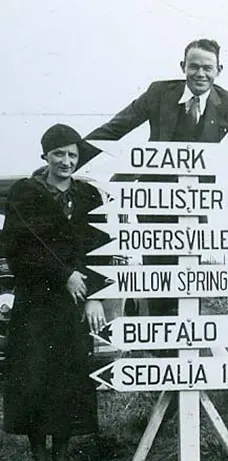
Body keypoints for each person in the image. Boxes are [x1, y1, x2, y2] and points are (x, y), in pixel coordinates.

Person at [84, 37, 228, 323]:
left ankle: (184, 345)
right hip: (154, 203)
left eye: (207, 68)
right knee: (158, 279)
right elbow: (114, 129)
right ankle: (162, 349)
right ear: (182, 67)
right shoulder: (159, 94)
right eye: (193, 66)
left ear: (219, 70)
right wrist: (69, 157)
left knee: (188, 281)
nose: (200, 74)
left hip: (197, 205)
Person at [1, 124, 110, 461]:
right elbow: (16, 248)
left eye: (72, 155)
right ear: (45, 155)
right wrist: (64, 275)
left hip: (74, 307)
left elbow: (101, 250)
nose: (66, 161)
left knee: (69, 380)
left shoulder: (89, 196)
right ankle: (38, 453)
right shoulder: (24, 193)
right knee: (33, 378)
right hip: (34, 304)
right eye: (59, 154)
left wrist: (94, 294)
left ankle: (61, 453)